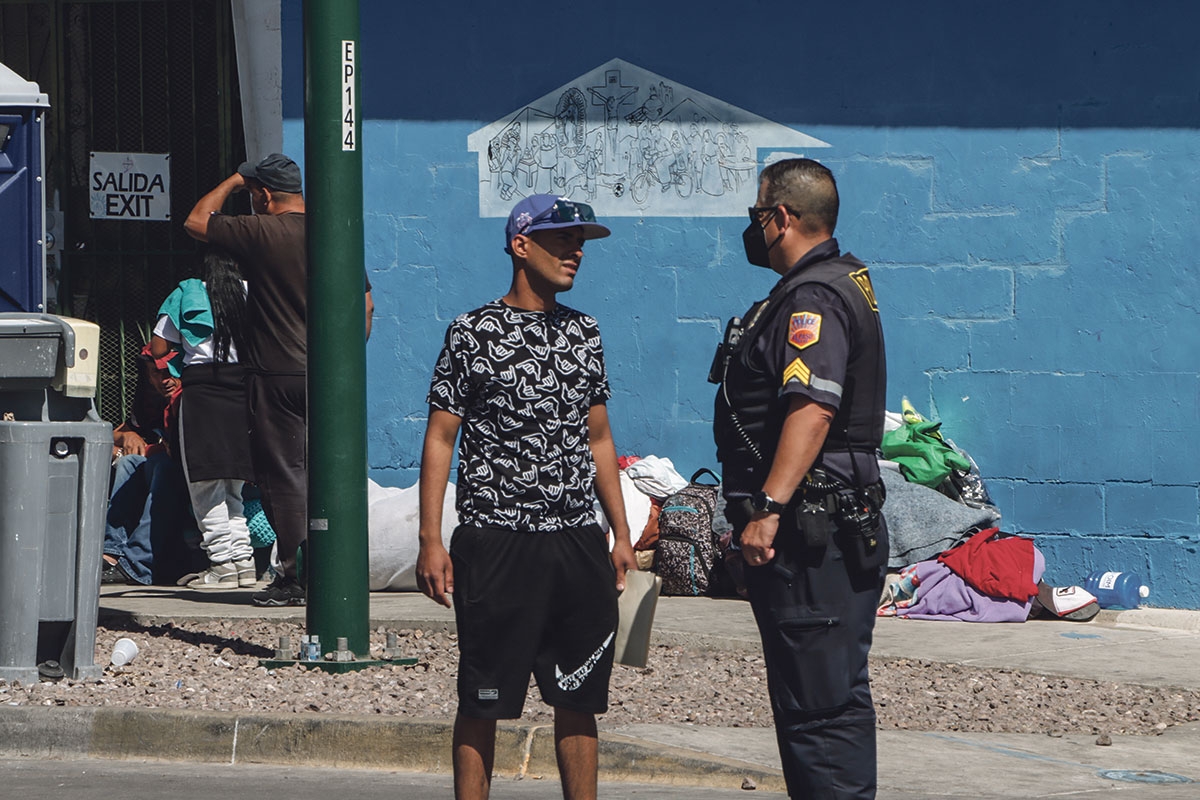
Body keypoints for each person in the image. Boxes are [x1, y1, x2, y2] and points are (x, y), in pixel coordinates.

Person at [416, 194, 637, 800]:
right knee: (483, 698)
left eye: (581, 239)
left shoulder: (583, 332)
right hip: (495, 541)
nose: (577, 250)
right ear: (520, 244)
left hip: (576, 540)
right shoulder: (472, 332)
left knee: (580, 698)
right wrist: (431, 539)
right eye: (563, 237)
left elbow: (598, 437)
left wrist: (619, 534)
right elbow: (441, 436)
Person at [710, 158, 889, 799]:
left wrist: (768, 506)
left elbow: (813, 408)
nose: (751, 228)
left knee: (820, 711)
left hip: (814, 536)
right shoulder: (836, 283)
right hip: (826, 530)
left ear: (780, 218)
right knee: (821, 697)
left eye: (756, 214)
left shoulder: (813, 297)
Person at [184, 153, 375, 606]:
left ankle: (294, 576)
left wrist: (234, 178)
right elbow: (365, 307)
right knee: (329, 471)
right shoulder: (337, 232)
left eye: (253, 196)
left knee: (284, 475)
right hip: (332, 377)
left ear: (263, 195)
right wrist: (343, 361)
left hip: (276, 374)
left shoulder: (262, 231)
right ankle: (336, 570)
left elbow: (196, 220)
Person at [151, 249, 257, 589]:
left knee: (205, 485)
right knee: (234, 487)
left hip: (202, 395)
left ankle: (222, 565)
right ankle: (244, 562)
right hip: (243, 391)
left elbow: (157, 347)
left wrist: (182, 353)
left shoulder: (188, 292)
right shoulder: (250, 291)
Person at [102, 348, 201, 586]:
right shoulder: (152, 400)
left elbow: (182, 451)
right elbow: (120, 431)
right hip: (162, 466)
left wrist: (153, 450)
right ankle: (110, 552)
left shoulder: (192, 395)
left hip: (193, 472)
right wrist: (127, 437)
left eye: (168, 371)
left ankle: (139, 564)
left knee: (162, 466)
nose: (163, 379)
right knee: (128, 463)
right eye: (155, 373)